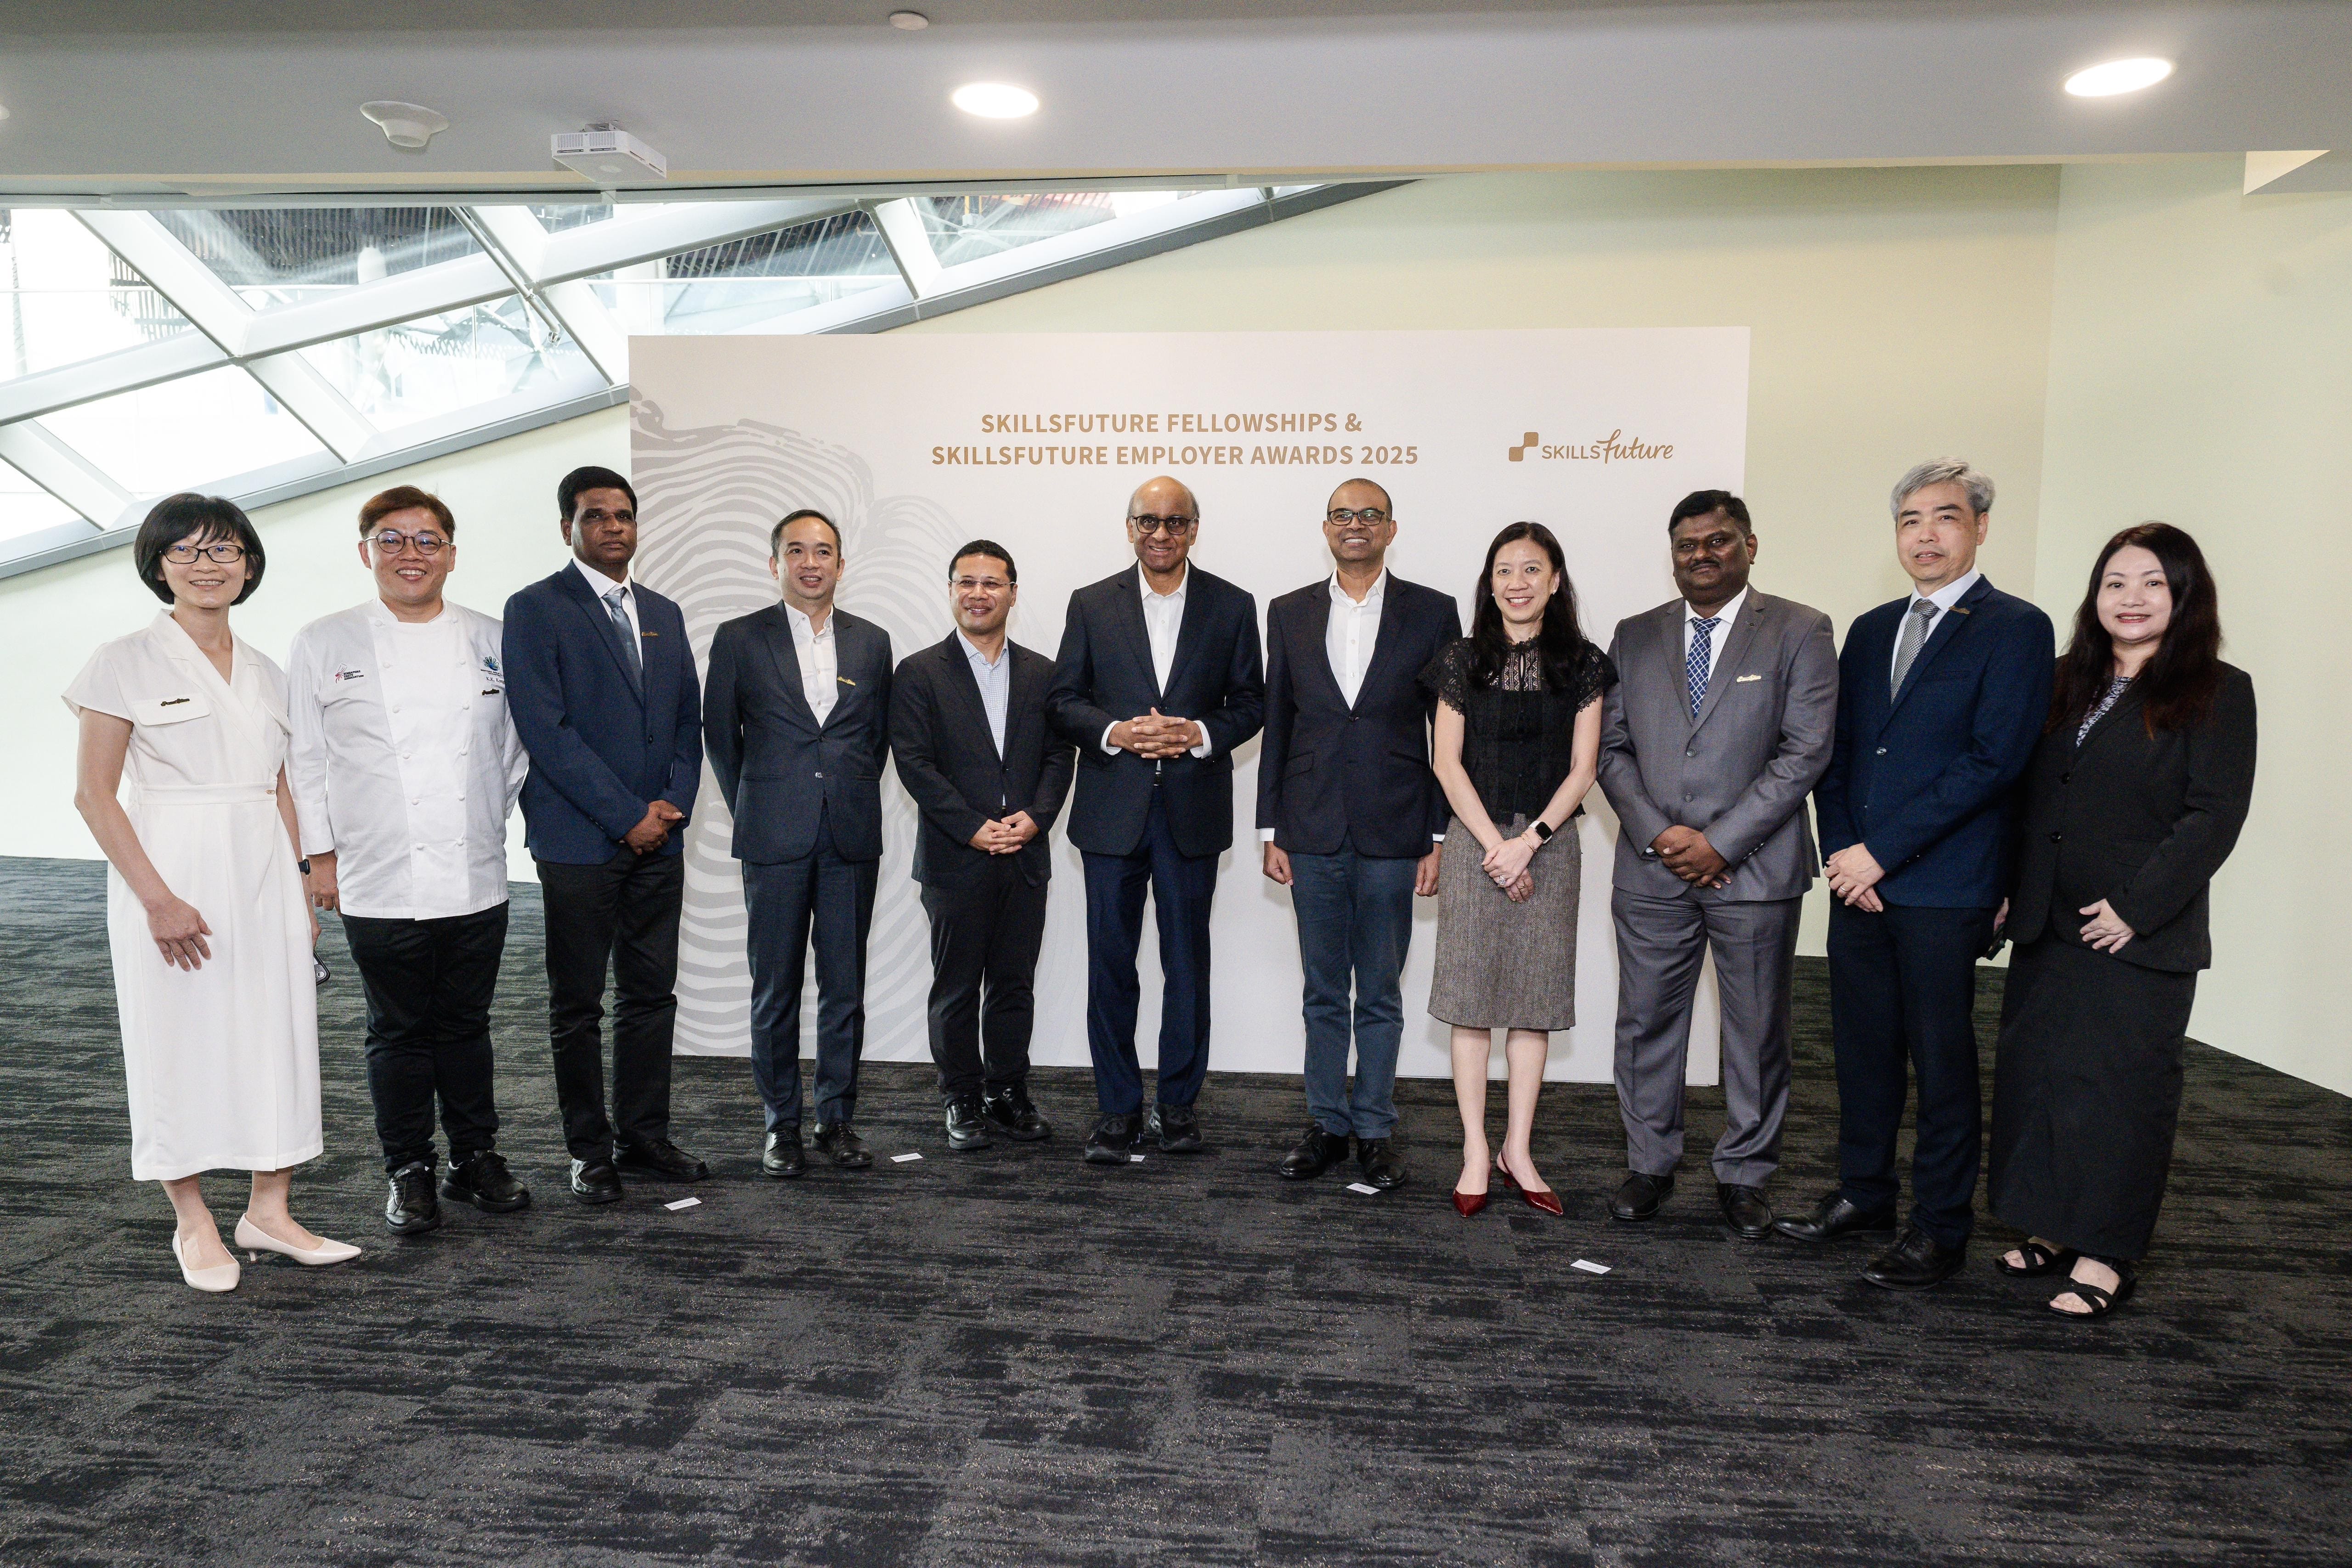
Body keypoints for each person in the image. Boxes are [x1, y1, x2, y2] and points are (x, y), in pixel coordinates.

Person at [67, 494, 358, 1292]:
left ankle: (271, 1209)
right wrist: (158, 899)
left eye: (224, 550)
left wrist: (303, 888)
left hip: (263, 864)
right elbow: (95, 794)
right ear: (158, 566)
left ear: (250, 565)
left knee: (279, 1035)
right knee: (178, 1038)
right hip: (171, 865)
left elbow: (280, 786)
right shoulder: (120, 659)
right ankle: (192, 1219)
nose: (207, 565)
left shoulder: (268, 669)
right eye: (187, 552)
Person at [1784, 458, 2054, 1290]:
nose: (1925, 534)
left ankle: (1940, 1228)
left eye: (1943, 517)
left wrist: (1883, 852)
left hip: (1945, 885)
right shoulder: (1869, 629)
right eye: (1909, 520)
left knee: (1942, 1063)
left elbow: (1994, 761)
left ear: (1979, 528)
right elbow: (1836, 755)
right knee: (1862, 1054)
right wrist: (1845, 854)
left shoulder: (2016, 626)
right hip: (1859, 881)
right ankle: (1865, 1195)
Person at [1988, 524, 2255, 1319]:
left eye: (2151, 584)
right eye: (2115, 583)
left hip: (2138, 928)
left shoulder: (2217, 688)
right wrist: (2010, 887)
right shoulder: (2066, 677)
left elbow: (2213, 816)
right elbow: (2029, 796)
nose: (2130, 599)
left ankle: (2106, 1251)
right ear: (2095, 595)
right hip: (2049, 918)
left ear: (2184, 596)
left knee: (2121, 1093)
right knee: (2041, 1080)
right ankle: (2052, 1227)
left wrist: (2136, 909)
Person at [287, 485, 532, 1236]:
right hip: (374, 872)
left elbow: (514, 751)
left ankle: (474, 1156)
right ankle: (409, 1168)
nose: (410, 555)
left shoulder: (493, 637)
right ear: (366, 553)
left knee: (466, 1023)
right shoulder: (324, 641)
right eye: (391, 540)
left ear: (452, 554)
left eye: (427, 541)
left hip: (474, 872)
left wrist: (485, 823)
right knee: (397, 1028)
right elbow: (306, 757)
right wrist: (318, 857)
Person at [1597, 491, 1838, 1238]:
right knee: (1645, 1023)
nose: (1701, 555)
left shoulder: (1800, 629)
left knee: (1756, 1029)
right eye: (1686, 545)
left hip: (1754, 872)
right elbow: (1610, 747)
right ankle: (1650, 1162)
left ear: (1751, 546)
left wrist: (1721, 842)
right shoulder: (1634, 635)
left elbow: (1807, 751)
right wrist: (1661, 832)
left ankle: (1745, 1172)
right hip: (1652, 869)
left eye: (1718, 542)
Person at [503, 465, 707, 1204]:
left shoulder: (664, 610)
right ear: (569, 528)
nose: (614, 527)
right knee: (578, 1004)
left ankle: (644, 1136)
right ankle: (589, 1152)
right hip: (580, 843)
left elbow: (689, 721)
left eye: (624, 515)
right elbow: (546, 732)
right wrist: (627, 816)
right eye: (596, 516)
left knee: (652, 997)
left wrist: (669, 806)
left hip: (663, 838)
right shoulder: (534, 609)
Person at [1047, 475, 1265, 1163]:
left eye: (1175, 522)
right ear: (1130, 527)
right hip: (1113, 814)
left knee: (1186, 966)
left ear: (1195, 529)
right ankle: (1117, 1110)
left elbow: (1252, 702)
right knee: (1111, 966)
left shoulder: (1232, 605)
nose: (1162, 534)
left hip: (1191, 815)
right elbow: (1063, 699)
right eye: (1149, 521)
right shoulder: (1091, 604)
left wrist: (1197, 732)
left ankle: (1177, 1106)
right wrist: (1116, 732)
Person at [1257, 479, 1459, 1191]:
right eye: (1343, 515)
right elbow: (1279, 719)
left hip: (1397, 825)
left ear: (1391, 528)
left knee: (1378, 989)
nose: (1355, 525)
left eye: (1369, 515)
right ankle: (1325, 1123)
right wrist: (1270, 825)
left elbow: (1448, 731)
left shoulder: (1434, 611)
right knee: (1321, 988)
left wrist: (1438, 833)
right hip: (1308, 827)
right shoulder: (1287, 611)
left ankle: (1374, 1126)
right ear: (1326, 527)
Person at [1422, 521, 1611, 1219]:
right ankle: (1475, 1148)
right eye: (1505, 569)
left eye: (1533, 569)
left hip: (1551, 843)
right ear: (1489, 581)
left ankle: (1518, 1149)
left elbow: (1585, 768)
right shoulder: (1461, 660)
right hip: (1474, 842)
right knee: (1471, 1003)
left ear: (1556, 579)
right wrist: (1493, 847)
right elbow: (1447, 763)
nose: (1518, 582)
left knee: (1533, 1004)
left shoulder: (1585, 663)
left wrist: (1528, 841)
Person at [704, 509, 895, 1177]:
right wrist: (756, 805)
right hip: (773, 837)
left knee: (845, 986)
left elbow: (873, 738)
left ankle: (836, 1119)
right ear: (775, 562)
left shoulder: (873, 641)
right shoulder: (738, 638)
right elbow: (721, 739)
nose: (810, 562)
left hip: (849, 835)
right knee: (775, 987)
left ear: (842, 564)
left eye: (823, 552)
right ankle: (780, 1125)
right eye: (796, 551)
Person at [889, 540, 1076, 1150]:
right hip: (955, 856)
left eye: (992, 583)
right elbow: (914, 764)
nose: (978, 593)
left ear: (1013, 594)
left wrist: (1037, 818)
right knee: (957, 984)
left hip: (1025, 854)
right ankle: (961, 1099)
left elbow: (1058, 755)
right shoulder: (918, 673)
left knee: (1014, 983)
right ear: (950, 592)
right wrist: (971, 825)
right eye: (966, 581)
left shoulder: (1045, 673)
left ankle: (1007, 1092)